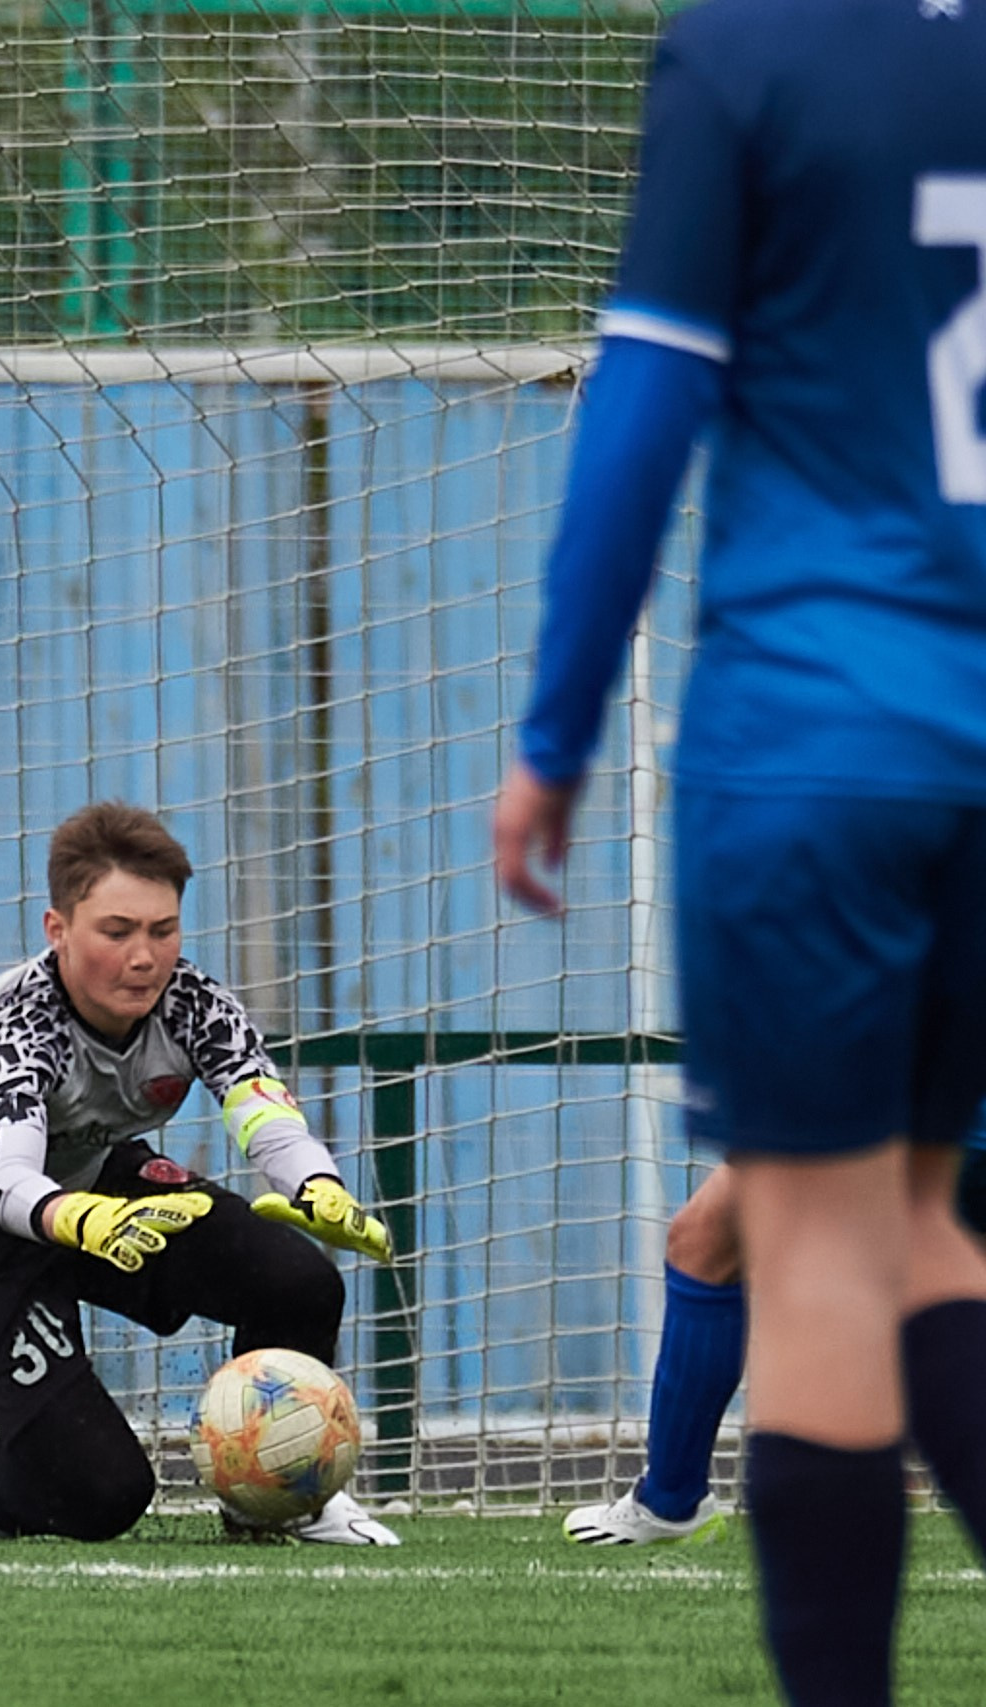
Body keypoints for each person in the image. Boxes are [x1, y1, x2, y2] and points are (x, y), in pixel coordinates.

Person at [492, 4, 986, 1697]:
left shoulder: (753, 54)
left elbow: (645, 406)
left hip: (821, 741)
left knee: (832, 1247)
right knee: (924, 1233)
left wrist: (555, 732)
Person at [0, 801, 400, 1548]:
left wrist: (317, 1185)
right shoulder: (17, 1025)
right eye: (116, 932)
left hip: (87, 1178)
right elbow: (6, 1180)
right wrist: (81, 1218)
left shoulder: (195, 1004)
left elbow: (259, 1105)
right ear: (58, 930)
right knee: (100, 1493)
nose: (144, 957)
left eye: (162, 930)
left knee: (299, 1283)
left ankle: (276, 1500)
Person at [567, 1140, 986, 1547]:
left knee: (891, 1267)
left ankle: (674, 1500)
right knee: (705, 1240)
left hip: (887, 1117)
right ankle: (670, 1499)